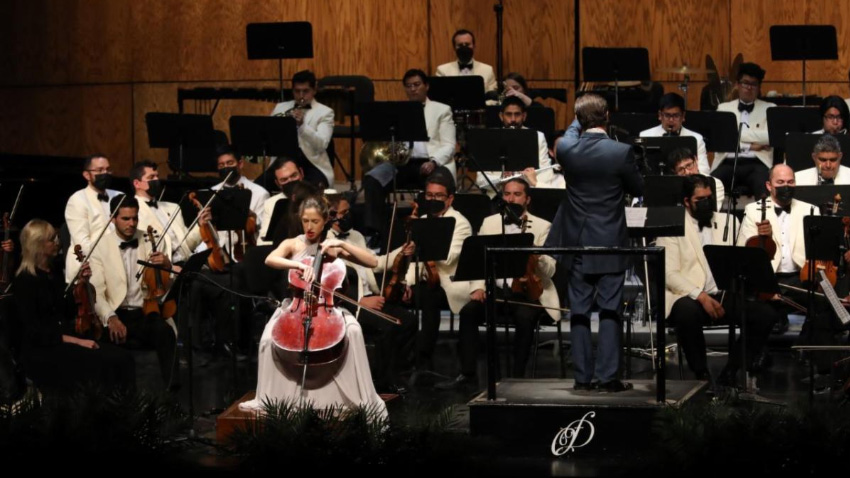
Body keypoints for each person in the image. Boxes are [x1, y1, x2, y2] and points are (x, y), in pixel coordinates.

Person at [239, 196, 386, 418]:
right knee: (268, 339)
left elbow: (373, 262)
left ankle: (360, 394)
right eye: (305, 221)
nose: (309, 227)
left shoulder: (332, 247)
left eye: (315, 221)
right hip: (296, 304)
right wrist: (298, 264)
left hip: (326, 307)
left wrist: (342, 244)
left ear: (326, 220)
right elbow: (270, 259)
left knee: (354, 331)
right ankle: (267, 398)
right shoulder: (293, 243)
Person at [546, 93, 644, 392]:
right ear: (608, 117)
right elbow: (638, 188)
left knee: (578, 310)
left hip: (576, 239)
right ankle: (608, 378)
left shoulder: (566, 149)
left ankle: (582, 378)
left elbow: (571, 134)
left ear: (579, 119)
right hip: (609, 239)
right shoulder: (621, 152)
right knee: (610, 309)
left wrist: (580, 117)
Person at [437, 178, 561, 388]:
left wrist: (536, 255)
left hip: (526, 293)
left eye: (517, 194)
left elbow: (550, 269)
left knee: (525, 317)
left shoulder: (542, 226)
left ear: (527, 199)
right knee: (469, 312)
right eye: (507, 194)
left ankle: (517, 378)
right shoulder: (490, 223)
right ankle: (468, 375)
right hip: (495, 290)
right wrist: (478, 287)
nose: (511, 198)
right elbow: (478, 258)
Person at [656, 175, 778, 384]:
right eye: (700, 199)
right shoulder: (672, 223)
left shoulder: (727, 220)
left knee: (764, 315)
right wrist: (700, 296)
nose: (707, 203)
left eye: (709, 198)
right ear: (686, 201)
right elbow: (668, 274)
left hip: (723, 293)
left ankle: (732, 369)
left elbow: (742, 260)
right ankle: (701, 373)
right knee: (686, 314)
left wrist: (763, 238)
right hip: (689, 295)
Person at [13, 219, 135, 392]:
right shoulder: (24, 281)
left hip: (64, 340)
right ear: (37, 245)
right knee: (101, 364)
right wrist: (78, 341)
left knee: (124, 357)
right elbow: (35, 332)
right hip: (42, 349)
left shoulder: (53, 273)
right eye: (51, 239)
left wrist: (82, 283)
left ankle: (128, 411)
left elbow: (67, 310)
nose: (57, 242)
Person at [326, 194, 417, 393]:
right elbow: (330, 287)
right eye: (345, 212)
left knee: (409, 321)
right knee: (387, 327)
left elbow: (376, 262)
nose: (349, 215)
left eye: (349, 211)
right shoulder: (326, 243)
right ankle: (382, 381)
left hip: (372, 296)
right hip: (353, 303)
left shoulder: (356, 236)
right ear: (332, 216)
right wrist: (360, 302)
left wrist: (401, 252)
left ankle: (398, 371)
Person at [88, 196, 178, 389]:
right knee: (99, 343)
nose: (131, 224)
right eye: (125, 219)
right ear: (113, 218)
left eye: (134, 218)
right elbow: (96, 291)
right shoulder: (99, 246)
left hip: (146, 311)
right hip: (116, 312)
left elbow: (164, 286)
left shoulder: (150, 239)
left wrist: (168, 266)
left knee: (166, 333)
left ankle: (173, 394)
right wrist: (111, 317)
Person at [362, 69, 456, 245]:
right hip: (402, 163)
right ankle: (375, 233)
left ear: (426, 86)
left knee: (437, 183)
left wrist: (434, 162)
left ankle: (427, 230)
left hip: (431, 163)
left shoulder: (442, 110)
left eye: (417, 85)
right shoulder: (399, 110)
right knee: (372, 179)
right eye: (408, 86)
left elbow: (449, 145)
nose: (413, 89)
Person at [710, 63, 776, 197]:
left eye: (754, 84)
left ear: (759, 87)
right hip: (727, 162)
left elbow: (770, 136)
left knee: (764, 187)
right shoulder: (723, 108)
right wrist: (751, 146)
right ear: (738, 84)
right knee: (710, 185)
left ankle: (763, 218)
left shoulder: (770, 108)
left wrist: (735, 136)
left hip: (757, 163)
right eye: (745, 83)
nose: (749, 88)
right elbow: (721, 139)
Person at [475, 97, 563, 193]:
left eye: (517, 114)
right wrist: (502, 179)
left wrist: (523, 181)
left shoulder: (538, 136)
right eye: (509, 114)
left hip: (528, 193)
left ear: (524, 116)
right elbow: (480, 180)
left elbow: (547, 174)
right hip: (498, 194)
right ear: (501, 116)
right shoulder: (490, 138)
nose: (513, 119)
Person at [269, 70, 335, 188]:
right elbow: (270, 137)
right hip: (282, 163)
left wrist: (302, 126)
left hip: (310, 164)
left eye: (305, 91)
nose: (301, 96)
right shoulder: (280, 108)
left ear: (314, 90)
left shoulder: (325, 112)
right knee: (259, 186)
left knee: (307, 193)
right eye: (297, 91)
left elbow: (321, 144)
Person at [64, 153, 122, 284]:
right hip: (88, 272)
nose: (105, 173)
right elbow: (82, 242)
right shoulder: (77, 200)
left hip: (118, 270)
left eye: (108, 169)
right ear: (86, 175)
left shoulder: (119, 196)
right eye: (100, 170)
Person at [132, 160, 201, 264]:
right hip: (162, 271)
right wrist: (170, 268)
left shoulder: (173, 207)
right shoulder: (133, 212)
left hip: (186, 264)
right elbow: (142, 254)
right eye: (151, 177)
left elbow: (186, 246)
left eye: (157, 176)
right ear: (137, 184)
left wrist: (200, 225)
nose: (156, 180)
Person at [639, 92, 710, 175]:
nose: (671, 120)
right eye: (667, 115)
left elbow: (704, 171)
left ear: (683, 116)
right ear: (660, 115)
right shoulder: (645, 136)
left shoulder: (696, 138)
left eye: (676, 115)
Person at [257, 157, 305, 246]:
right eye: (284, 180)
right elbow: (262, 241)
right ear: (278, 184)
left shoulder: (316, 196)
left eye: (294, 175)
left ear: (301, 173)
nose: (290, 181)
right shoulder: (271, 203)